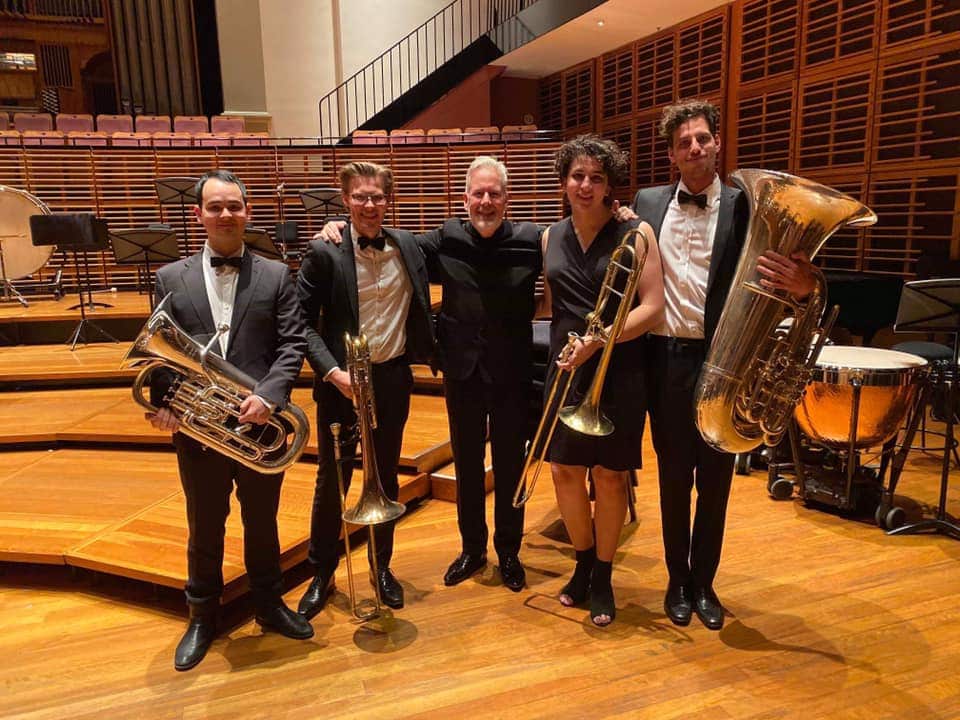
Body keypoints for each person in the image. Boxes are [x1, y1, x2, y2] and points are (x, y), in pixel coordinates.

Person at [317, 156, 542, 593]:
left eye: (494, 193)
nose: (486, 201)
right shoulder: (445, 236)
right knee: (469, 464)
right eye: (478, 193)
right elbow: (382, 236)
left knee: (511, 466)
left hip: (512, 373)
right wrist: (336, 228)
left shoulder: (533, 239)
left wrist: (625, 216)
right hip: (462, 372)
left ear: (507, 198)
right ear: (465, 199)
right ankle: (473, 549)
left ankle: (509, 551)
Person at [632, 99, 814, 631]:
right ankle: (674, 580)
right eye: (684, 142)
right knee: (671, 478)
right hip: (664, 361)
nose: (695, 148)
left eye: (703, 139)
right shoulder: (645, 203)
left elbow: (790, 275)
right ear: (671, 154)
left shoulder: (747, 207)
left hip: (726, 362)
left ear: (717, 144)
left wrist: (806, 286)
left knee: (716, 481)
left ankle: (705, 582)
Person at [146, 169, 312, 672]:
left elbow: (292, 345)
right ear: (197, 214)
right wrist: (166, 405)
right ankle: (202, 615)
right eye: (215, 207)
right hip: (200, 429)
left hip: (259, 423)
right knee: (205, 524)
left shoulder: (276, 274)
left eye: (234, 206)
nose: (225, 215)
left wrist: (268, 396)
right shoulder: (169, 278)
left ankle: (268, 603)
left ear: (248, 212)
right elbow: (161, 356)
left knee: (262, 522)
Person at [296, 161, 435, 618]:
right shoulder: (325, 252)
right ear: (346, 200)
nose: (369, 205)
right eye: (360, 197)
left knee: (385, 477)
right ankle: (321, 575)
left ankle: (382, 567)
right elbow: (300, 324)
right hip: (342, 382)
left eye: (377, 197)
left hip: (392, 378)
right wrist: (334, 374)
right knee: (331, 482)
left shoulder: (408, 246)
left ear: (388, 200)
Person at [543, 135, 665, 626]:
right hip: (567, 367)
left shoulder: (636, 234)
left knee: (610, 478)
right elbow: (552, 305)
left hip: (619, 367)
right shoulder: (550, 237)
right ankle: (583, 564)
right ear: (564, 183)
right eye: (578, 176)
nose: (586, 185)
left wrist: (600, 340)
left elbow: (653, 309)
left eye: (597, 177)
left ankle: (605, 576)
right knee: (564, 472)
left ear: (610, 185)